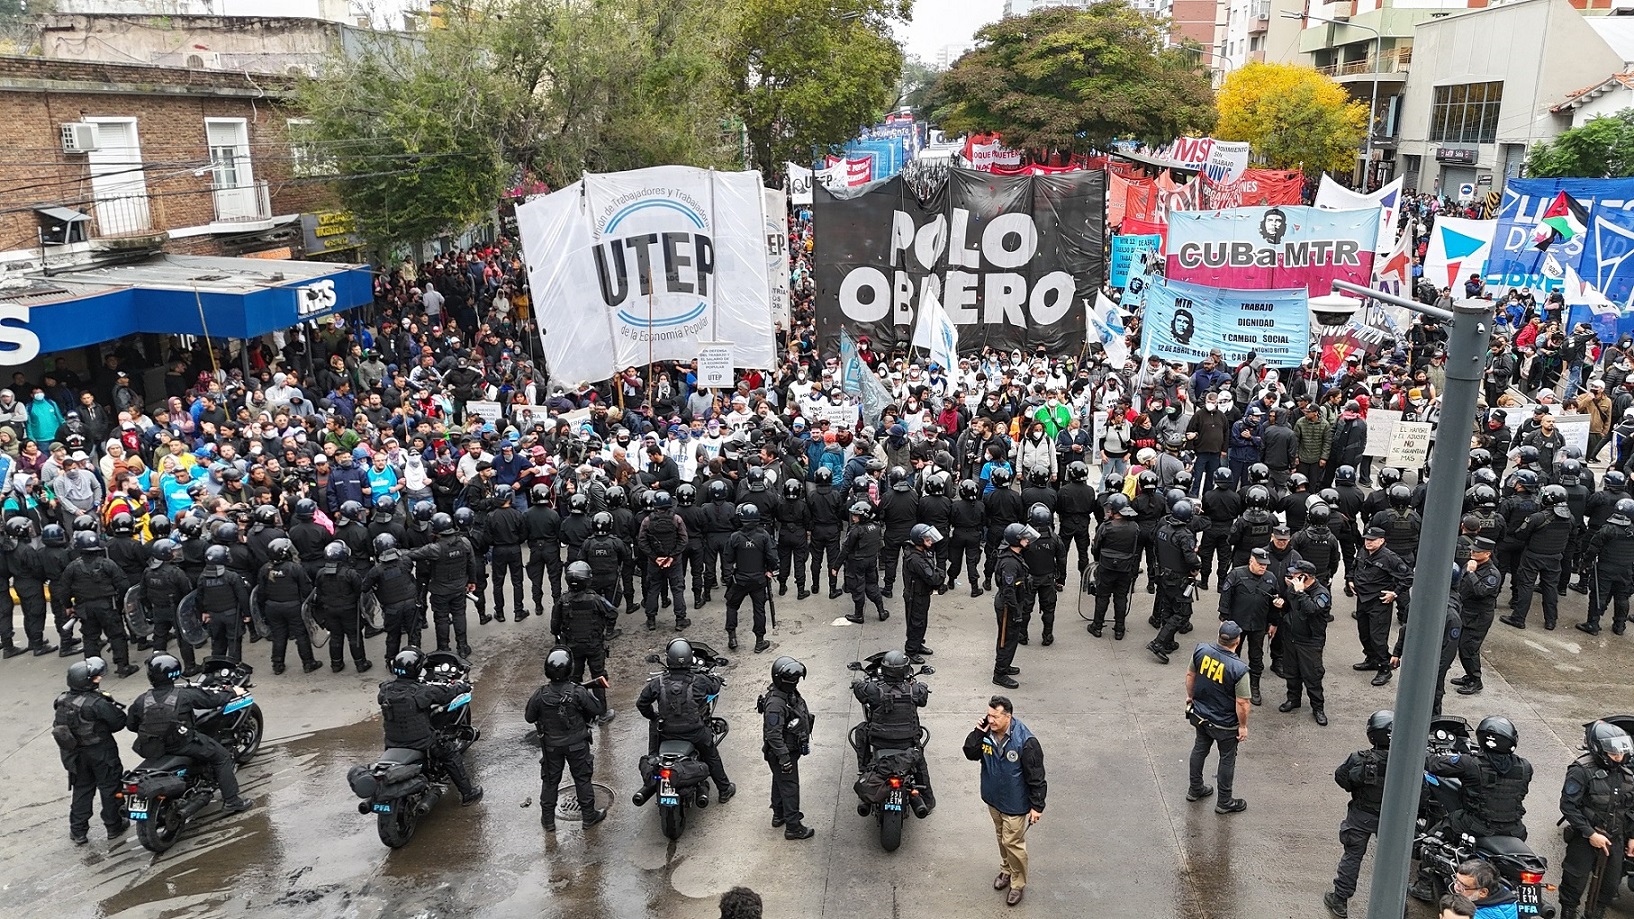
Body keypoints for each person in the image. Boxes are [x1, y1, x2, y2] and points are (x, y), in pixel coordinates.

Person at [126, 653, 254, 813]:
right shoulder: (184, 695)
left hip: (152, 747)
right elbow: (212, 700)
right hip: (181, 744)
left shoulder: (141, 700)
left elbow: (131, 725)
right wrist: (232, 692)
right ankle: (232, 801)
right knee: (222, 757)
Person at [962, 695, 1046, 908]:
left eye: (995, 716)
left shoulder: (1026, 742)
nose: (990, 720)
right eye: (989, 715)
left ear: (1008, 717)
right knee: (1002, 837)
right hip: (993, 799)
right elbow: (970, 753)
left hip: (1015, 804)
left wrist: (1037, 806)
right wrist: (978, 733)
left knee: (1013, 843)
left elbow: (1036, 776)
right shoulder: (986, 734)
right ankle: (1006, 870)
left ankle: (1017, 884)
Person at [636, 638, 735, 803]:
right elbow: (714, 687)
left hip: (666, 733)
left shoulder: (657, 682)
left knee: (653, 744)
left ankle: (654, 764)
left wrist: (654, 717)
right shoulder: (699, 680)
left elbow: (641, 704)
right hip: (694, 733)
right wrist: (717, 679)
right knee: (711, 755)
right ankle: (724, 790)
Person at [1556, 721, 1634, 919]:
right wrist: (1590, 833)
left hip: (1615, 838)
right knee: (1574, 881)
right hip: (1586, 837)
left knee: (1610, 885)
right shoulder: (1581, 770)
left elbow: (1631, 808)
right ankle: (1568, 913)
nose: (1618, 758)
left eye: (1621, 754)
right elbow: (1568, 806)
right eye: (1613, 754)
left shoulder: (1627, 775)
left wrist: (1632, 836)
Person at [525, 647, 606, 832]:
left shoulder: (540, 694)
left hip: (551, 747)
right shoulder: (577, 692)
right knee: (582, 779)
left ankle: (548, 821)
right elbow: (598, 709)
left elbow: (529, 717)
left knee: (550, 781)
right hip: (577, 744)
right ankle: (588, 817)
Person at [1324, 710, 1393, 918]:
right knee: (1393, 859)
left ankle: (1340, 900)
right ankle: (1397, 904)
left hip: (1362, 814)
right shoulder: (1407, 760)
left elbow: (1342, 779)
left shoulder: (1359, 758)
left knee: (1352, 856)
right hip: (1392, 818)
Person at [1425, 715, 1534, 846]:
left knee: (1433, 838)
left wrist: (1423, 752)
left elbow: (1433, 764)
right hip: (1515, 829)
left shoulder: (1470, 763)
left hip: (1477, 826)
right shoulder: (1525, 767)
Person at [52, 657, 128, 844]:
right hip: (101, 752)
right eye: (94, 678)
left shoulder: (61, 700)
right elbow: (119, 722)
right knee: (110, 787)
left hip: (75, 755)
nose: (98, 679)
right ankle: (114, 826)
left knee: (82, 789)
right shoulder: (97, 703)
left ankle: (78, 831)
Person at [852, 649, 935, 813]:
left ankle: (864, 768)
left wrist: (857, 684)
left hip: (879, 741)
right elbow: (923, 698)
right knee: (919, 761)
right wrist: (921, 686)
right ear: (905, 670)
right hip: (908, 742)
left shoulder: (874, 690)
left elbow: (859, 692)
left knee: (861, 729)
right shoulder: (914, 690)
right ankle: (927, 800)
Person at [1186, 621, 1251, 815]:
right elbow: (1242, 703)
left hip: (1201, 714)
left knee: (1199, 749)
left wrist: (1190, 697)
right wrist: (1243, 726)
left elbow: (1191, 675)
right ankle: (1224, 800)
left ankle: (1195, 788)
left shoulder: (1201, 651)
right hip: (1225, 723)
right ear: (1237, 641)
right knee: (1227, 759)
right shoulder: (1239, 669)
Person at [57, 531, 138, 677]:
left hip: (85, 609)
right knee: (117, 636)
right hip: (108, 607)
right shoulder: (108, 564)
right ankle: (122, 667)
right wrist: (120, 603)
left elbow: (64, 589)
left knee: (90, 638)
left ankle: (93, 670)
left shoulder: (72, 567)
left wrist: (68, 606)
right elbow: (123, 584)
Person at [1502, 484, 1575, 630]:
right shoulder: (1570, 518)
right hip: (1554, 557)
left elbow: (1521, 534)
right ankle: (1551, 621)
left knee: (1526, 586)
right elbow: (1572, 537)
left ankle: (1518, 618)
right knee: (1550, 588)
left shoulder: (1537, 517)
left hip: (1533, 557)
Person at [406, 513, 480, 657]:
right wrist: (472, 581)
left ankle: (443, 648)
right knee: (459, 615)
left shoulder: (434, 548)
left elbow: (412, 554)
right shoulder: (464, 542)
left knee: (441, 619)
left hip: (440, 591)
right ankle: (463, 646)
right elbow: (472, 563)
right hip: (459, 587)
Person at [551, 561, 617, 722]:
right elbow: (612, 613)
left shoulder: (563, 601)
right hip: (594, 646)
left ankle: (574, 711)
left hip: (572, 647)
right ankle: (602, 713)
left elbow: (554, 626)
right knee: (599, 677)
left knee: (573, 679)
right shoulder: (596, 599)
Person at [1218, 547, 1283, 706]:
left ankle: (1254, 687)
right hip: (1236, 625)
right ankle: (1229, 686)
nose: (1263, 567)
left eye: (1265, 565)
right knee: (1232, 656)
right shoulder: (1236, 574)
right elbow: (1225, 597)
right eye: (1260, 564)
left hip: (1258, 625)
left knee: (1256, 657)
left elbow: (1275, 601)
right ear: (1251, 561)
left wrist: (1274, 622)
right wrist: (1224, 619)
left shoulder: (1270, 578)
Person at [1350, 527, 1413, 686]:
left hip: (1379, 602)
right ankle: (1371, 659)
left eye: (1372, 540)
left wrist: (1395, 593)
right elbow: (1354, 566)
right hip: (1363, 600)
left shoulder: (1390, 558)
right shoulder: (1363, 551)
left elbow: (1408, 577)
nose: (1368, 542)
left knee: (1378, 638)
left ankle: (1385, 668)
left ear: (1382, 540)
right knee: (1364, 634)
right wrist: (1350, 579)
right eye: (1366, 539)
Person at [760, 655, 814, 840]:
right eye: (792, 680)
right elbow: (773, 735)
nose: (795, 683)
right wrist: (784, 759)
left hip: (788, 750)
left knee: (780, 781)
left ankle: (779, 814)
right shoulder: (775, 705)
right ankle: (793, 827)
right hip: (782, 753)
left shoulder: (787, 694)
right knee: (790, 787)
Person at [254, 537, 321, 675]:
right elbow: (306, 589)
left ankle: (277, 664)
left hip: (272, 607)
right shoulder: (294, 568)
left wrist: (264, 608)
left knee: (279, 635)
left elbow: (261, 592)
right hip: (293, 606)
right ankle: (308, 663)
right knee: (301, 635)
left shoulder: (265, 569)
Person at [1280, 560, 1331, 725]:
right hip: (1292, 637)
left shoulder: (1321, 593)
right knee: (1291, 672)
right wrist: (1281, 603)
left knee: (1312, 676)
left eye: (1296, 573)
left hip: (1310, 642)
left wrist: (1301, 592)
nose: (1292, 576)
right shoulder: (1293, 588)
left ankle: (1318, 708)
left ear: (1305, 576)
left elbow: (1312, 610)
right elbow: (1289, 605)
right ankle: (1293, 699)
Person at [141, 539, 202, 676]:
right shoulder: (176, 572)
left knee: (159, 637)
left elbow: (142, 594)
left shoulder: (148, 571)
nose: (176, 554)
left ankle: (155, 666)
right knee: (183, 638)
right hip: (176, 609)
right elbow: (187, 592)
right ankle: (190, 666)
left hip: (158, 609)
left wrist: (150, 609)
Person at [1452, 538, 1502, 696]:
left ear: (1487, 554)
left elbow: (1481, 592)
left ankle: (1475, 680)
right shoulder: (1471, 563)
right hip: (1466, 611)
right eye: (1472, 550)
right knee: (1463, 646)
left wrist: (1472, 573)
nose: (1473, 553)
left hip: (1479, 616)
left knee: (1469, 649)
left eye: (1477, 551)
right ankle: (1469, 675)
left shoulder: (1492, 574)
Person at [724, 504, 777, 653]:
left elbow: (728, 558)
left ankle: (732, 636)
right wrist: (770, 570)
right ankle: (759, 641)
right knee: (759, 609)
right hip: (759, 579)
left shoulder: (735, 537)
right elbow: (772, 557)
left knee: (732, 605)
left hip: (740, 579)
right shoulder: (764, 536)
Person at [314, 541, 372, 673]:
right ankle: (360, 664)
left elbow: (319, 592)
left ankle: (336, 664)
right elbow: (360, 592)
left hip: (329, 609)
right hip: (349, 610)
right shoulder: (350, 573)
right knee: (354, 636)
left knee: (335, 636)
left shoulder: (321, 573)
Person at [361, 534, 421, 660]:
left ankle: (391, 660)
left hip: (392, 608)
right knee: (413, 633)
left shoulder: (376, 571)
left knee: (393, 635)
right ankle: (415, 658)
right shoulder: (405, 561)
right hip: (411, 603)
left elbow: (364, 587)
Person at [1579, 498, 1634, 635]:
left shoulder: (1608, 529)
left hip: (1605, 568)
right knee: (1622, 597)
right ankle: (1619, 626)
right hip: (1625, 569)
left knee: (1599, 595)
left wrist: (1586, 563)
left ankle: (1593, 624)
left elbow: (1593, 548)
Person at [1089, 495, 1140, 638]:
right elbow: (1135, 549)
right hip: (1125, 568)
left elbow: (1096, 547)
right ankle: (1119, 629)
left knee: (1102, 596)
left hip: (1106, 567)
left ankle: (1097, 626)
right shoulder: (1134, 527)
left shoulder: (1106, 527)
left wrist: (1098, 560)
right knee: (1121, 597)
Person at [638, 490, 689, 631]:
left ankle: (651, 620)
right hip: (673, 561)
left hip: (655, 562)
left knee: (653, 588)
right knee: (677, 589)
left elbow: (642, 541)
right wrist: (672, 556)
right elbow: (683, 540)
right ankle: (680, 620)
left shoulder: (647, 521)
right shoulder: (676, 519)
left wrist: (655, 558)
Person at [991, 522, 1033, 688]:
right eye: (1023, 538)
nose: (1027, 540)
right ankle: (999, 673)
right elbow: (1008, 591)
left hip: (1014, 602)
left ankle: (1005, 665)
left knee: (1011, 638)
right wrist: (1016, 612)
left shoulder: (1015, 555)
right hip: (1009, 606)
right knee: (1006, 639)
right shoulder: (1009, 562)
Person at [1018, 503, 1065, 646]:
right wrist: (1061, 578)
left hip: (1028, 578)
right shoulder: (1055, 539)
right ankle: (1047, 635)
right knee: (1049, 609)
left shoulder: (1025, 538)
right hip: (1048, 578)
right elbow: (1062, 559)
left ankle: (1022, 635)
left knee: (1025, 609)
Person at [195, 545, 250, 662]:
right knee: (234, 642)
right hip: (232, 616)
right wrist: (247, 614)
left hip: (213, 616)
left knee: (217, 643)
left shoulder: (202, 578)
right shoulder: (231, 576)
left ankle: (217, 668)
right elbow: (242, 597)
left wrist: (203, 612)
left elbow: (199, 597)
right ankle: (233, 668)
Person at [838, 500, 888, 625]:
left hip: (857, 563)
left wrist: (835, 566)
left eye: (856, 515)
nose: (853, 517)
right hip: (871, 561)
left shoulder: (856, 531)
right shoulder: (876, 528)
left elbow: (846, 548)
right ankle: (881, 611)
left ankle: (858, 615)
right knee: (872, 586)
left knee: (857, 588)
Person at [901, 523, 946, 662]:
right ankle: (911, 651)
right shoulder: (916, 559)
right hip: (916, 596)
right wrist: (941, 574)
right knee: (916, 623)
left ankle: (918, 644)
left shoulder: (921, 552)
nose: (930, 542)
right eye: (927, 540)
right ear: (919, 541)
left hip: (921, 594)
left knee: (921, 621)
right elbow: (932, 577)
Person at [1450, 860, 1518, 919]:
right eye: (1456, 880)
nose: (1456, 887)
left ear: (1483, 892)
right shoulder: (1504, 895)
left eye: (1463, 886)